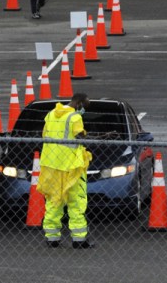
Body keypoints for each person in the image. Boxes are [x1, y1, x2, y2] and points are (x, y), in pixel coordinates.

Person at [36, 93, 94, 249]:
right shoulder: (75, 117)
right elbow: (80, 137)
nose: (84, 110)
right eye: (85, 106)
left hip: (51, 165)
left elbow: (44, 135)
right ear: (79, 103)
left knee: (54, 200)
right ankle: (79, 240)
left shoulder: (50, 114)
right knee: (76, 202)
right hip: (71, 166)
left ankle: (52, 238)